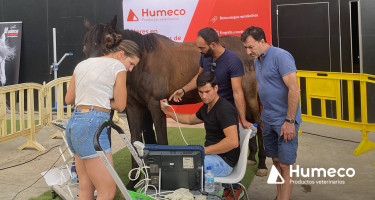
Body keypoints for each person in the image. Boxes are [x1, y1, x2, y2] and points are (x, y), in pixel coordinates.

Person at [65, 33, 141, 199]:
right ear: (121, 54)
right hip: (92, 126)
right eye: (131, 63)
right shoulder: (118, 67)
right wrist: (102, 100)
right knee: (107, 190)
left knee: (86, 187)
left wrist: (94, 96)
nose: (131, 69)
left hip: (74, 125)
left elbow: (69, 99)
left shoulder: (82, 64)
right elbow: (121, 105)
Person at [241, 26, 302, 200]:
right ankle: (279, 196)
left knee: (285, 165)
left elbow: (294, 89)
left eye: (250, 47)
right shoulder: (257, 60)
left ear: (262, 41)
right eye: (245, 47)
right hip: (268, 120)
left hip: (285, 121)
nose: (247, 51)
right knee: (275, 161)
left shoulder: (281, 56)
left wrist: (290, 121)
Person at [169, 27, 252, 130]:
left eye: (202, 48)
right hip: (210, 111)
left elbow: (237, 92)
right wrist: (183, 90)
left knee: (230, 144)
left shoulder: (233, 61)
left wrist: (243, 120)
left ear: (213, 44)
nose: (199, 51)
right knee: (211, 142)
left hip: (226, 113)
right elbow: (200, 77)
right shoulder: (205, 56)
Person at [161, 71, 240, 177]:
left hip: (224, 161)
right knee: (180, 161)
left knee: (184, 168)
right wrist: (167, 112)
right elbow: (189, 119)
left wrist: (203, 150)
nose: (204, 96)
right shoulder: (206, 107)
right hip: (210, 155)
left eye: (207, 91)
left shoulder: (225, 109)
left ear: (216, 88)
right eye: (200, 92)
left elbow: (233, 142)